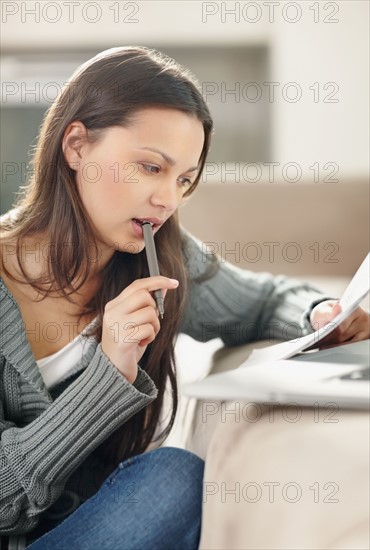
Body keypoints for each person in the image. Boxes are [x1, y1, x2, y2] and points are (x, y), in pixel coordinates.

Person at [0, 46, 368, 550]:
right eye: (151, 167)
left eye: (184, 180)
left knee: (173, 480)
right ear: (76, 146)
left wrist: (319, 315)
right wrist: (108, 376)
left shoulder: (160, 260)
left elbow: (263, 300)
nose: (168, 199)